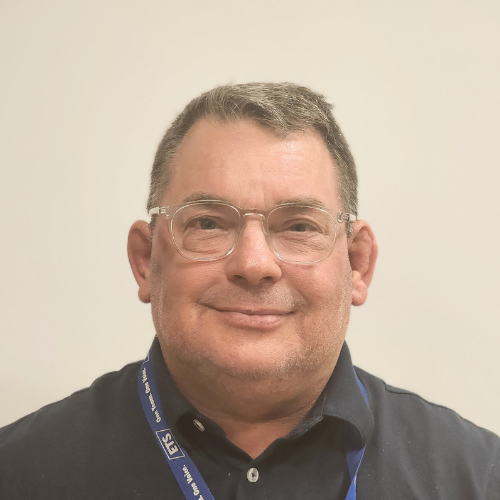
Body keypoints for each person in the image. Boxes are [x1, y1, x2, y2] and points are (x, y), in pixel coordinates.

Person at [0, 82, 498, 499]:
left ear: (357, 264)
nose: (254, 265)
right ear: (145, 261)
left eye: (299, 226)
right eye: (208, 223)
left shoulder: (479, 478)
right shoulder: (18, 472)